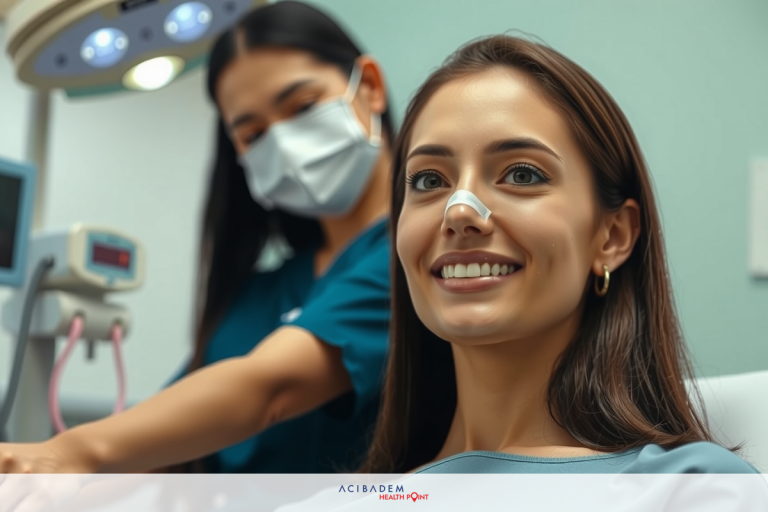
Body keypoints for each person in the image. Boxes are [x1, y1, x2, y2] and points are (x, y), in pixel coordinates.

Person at [0, 1, 394, 474]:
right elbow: (161, 446)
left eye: (303, 106)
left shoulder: (414, 257)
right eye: (252, 134)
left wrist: (70, 453)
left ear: (368, 86)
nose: (285, 146)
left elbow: (266, 389)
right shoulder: (260, 293)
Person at [360, 35, 759, 475]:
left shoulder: (692, 490)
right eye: (430, 181)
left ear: (612, 237)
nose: (458, 212)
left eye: (522, 173)